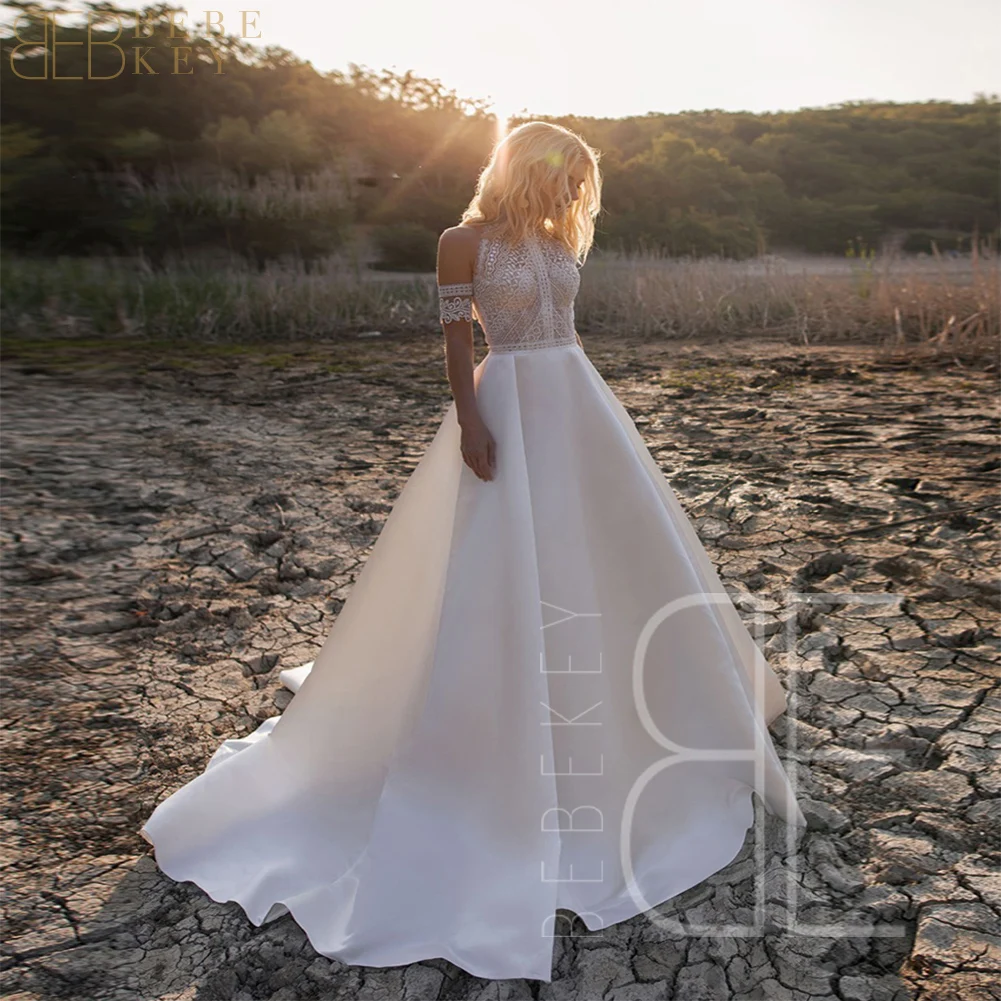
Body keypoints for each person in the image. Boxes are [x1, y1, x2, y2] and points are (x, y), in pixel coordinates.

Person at [140, 121, 807, 984]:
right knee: (501, 565)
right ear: (522, 168)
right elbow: (457, 340)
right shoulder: (463, 241)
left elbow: (564, 326)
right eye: (562, 175)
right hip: (508, 399)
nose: (572, 190)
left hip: (576, 399)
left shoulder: (556, 239)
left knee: (616, 556)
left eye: (579, 180)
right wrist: (470, 422)